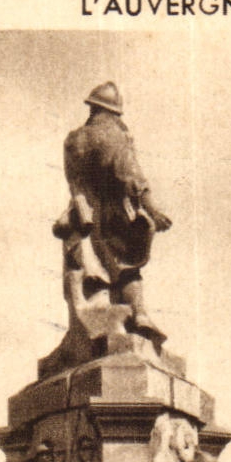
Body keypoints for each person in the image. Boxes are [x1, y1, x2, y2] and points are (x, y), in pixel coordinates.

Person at [59, 82, 173, 341]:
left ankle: (108, 321)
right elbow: (129, 175)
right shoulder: (114, 135)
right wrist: (152, 209)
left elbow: (73, 180)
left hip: (82, 216)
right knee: (128, 267)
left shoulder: (73, 139)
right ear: (111, 112)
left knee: (95, 274)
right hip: (112, 214)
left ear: (92, 108)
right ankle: (139, 314)